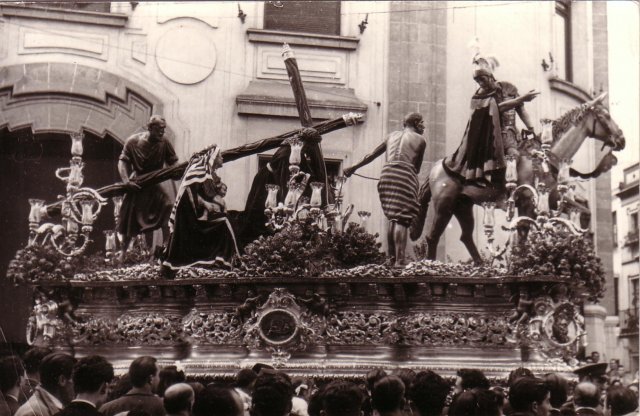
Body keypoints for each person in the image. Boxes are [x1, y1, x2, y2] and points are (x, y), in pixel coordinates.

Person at [343, 112, 427, 267]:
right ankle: (400, 261)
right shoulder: (420, 140)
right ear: (415, 123)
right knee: (402, 218)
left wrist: (353, 168)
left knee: (393, 217)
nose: (424, 126)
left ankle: (392, 259)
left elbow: (371, 155)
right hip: (405, 173)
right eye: (422, 122)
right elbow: (417, 168)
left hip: (387, 174)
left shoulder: (391, 136)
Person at [444, 55, 539, 188]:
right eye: (477, 81)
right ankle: (505, 188)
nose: (480, 83)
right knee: (513, 155)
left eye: (482, 79)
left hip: (513, 134)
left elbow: (521, 110)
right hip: (493, 137)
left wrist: (531, 128)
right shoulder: (479, 96)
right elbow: (498, 108)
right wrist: (521, 98)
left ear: (490, 76)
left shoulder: (508, 88)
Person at [239, 127, 327, 248]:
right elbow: (284, 177)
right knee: (261, 216)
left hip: (272, 179)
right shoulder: (291, 151)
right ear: (309, 143)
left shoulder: (296, 149)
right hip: (267, 182)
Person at [162, 146, 240, 271]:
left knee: (231, 218)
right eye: (220, 155)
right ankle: (228, 259)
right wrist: (206, 204)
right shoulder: (197, 170)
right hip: (192, 218)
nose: (222, 158)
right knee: (225, 220)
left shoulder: (209, 173)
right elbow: (189, 193)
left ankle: (222, 258)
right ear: (212, 157)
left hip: (203, 214)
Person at [118, 115, 179, 261]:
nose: (161, 133)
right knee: (129, 221)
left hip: (155, 183)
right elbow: (122, 162)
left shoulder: (164, 142)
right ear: (150, 128)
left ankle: (166, 247)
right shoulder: (133, 141)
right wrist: (126, 181)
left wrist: (175, 172)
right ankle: (123, 253)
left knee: (168, 206)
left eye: (163, 130)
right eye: (158, 130)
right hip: (137, 184)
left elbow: (173, 162)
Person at [99, 356, 165, 416]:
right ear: (151, 378)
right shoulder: (165, 407)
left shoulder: (107, 409)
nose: (160, 379)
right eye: (158, 376)